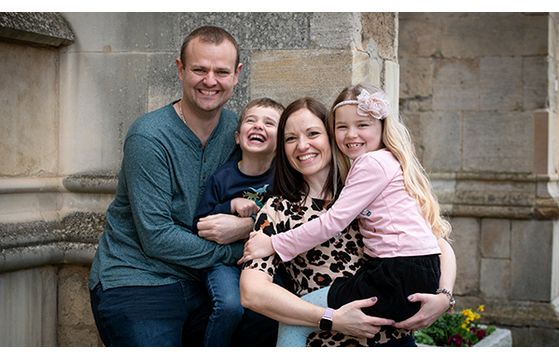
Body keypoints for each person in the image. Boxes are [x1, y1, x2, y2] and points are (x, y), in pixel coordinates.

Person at [88, 25, 276, 346]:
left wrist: (246, 225)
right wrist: (236, 250)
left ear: (237, 74)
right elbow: (157, 238)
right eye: (199, 69)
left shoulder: (240, 130)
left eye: (221, 71)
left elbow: (280, 191)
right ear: (180, 68)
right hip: (139, 279)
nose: (210, 81)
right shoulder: (149, 137)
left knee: (267, 322)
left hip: (205, 281)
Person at [239, 97, 456, 347]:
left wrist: (444, 297)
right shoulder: (279, 208)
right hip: (326, 340)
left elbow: (438, 243)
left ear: (332, 138)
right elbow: (252, 292)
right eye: (290, 138)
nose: (302, 145)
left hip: (391, 338)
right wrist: (332, 318)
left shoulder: (365, 190)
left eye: (313, 133)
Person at [192, 97, 284, 346]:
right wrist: (229, 205)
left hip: (265, 261)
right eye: (251, 121)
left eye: (269, 123)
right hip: (224, 263)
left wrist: (254, 219)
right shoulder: (222, 178)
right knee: (230, 306)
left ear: (282, 142)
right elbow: (199, 222)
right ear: (237, 137)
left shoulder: (282, 178)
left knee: (274, 308)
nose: (258, 126)